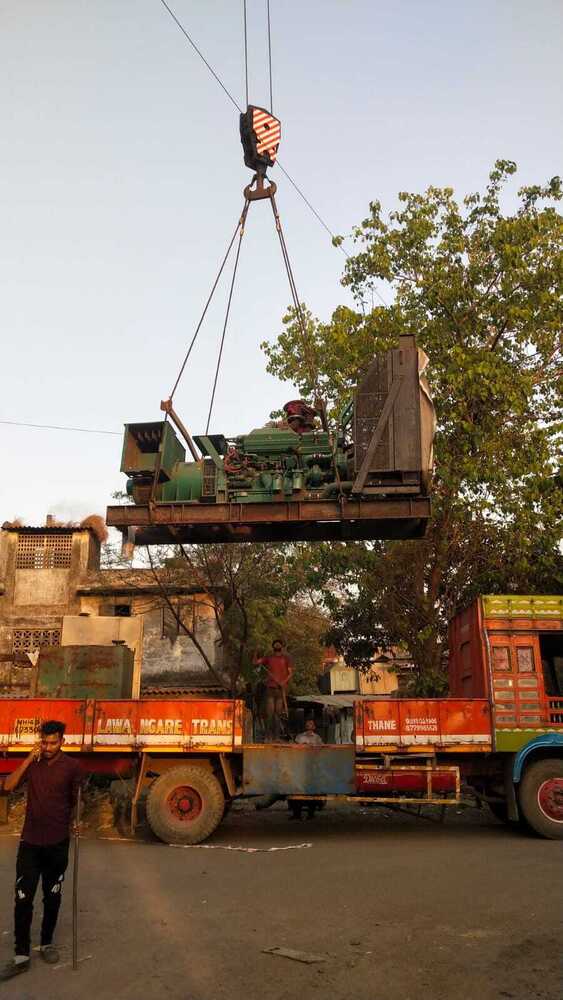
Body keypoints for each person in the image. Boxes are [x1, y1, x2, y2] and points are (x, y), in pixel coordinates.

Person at [0, 720, 82, 981]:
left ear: (62, 741)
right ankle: (21, 955)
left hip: (58, 843)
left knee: (52, 896)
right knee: (23, 898)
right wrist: (27, 759)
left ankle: (46, 943)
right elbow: (7, 786)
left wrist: (77, 820)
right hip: (30, 843)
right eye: (44, 742)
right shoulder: (33, 764)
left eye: (52, 743)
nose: (47, 747)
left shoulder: (72, 767)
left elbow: (78, 801)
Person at [253, 640, 294, 741]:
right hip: (270, 688)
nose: (277, 645)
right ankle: (268, 736)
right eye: (275, 644)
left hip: (280, 690)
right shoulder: (269, 658)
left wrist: (283, 682)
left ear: (281, 646)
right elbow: (255, 662)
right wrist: (255, 652)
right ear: (273, 647)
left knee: (277, 715)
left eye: (279, 644)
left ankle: (276, 737)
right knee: (270, 714)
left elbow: (290, 673)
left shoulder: (286, 658)